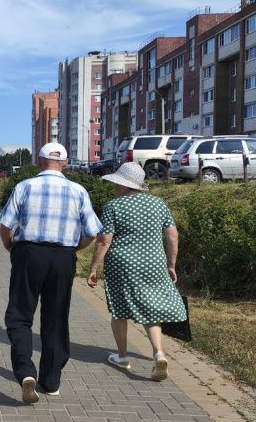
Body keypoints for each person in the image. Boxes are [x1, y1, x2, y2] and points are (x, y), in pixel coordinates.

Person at [0, 142, 102, 404]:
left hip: (28, 253)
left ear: (39, 161)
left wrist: (10, 245)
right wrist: (73, 249)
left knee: (20, 315)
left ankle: (25, 373)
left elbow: (5, 224)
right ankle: (51, 382)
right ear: (65, 163)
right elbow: (92, 232)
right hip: (62, 257)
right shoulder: (78, 190)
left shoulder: (25, 186)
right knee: (55, 318)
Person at [86, 162, 186, 382]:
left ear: (126, 185)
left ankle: (122, 356)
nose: (114, 186)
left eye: (117, 183)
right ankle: (158, 352)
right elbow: (172, 236)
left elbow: (104, 241)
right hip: (153, 264)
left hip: (123, 266)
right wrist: (171, 264)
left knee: (120, 311)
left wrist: (93, 268)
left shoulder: (114, 206)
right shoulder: (158, 204)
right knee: (151, 308)